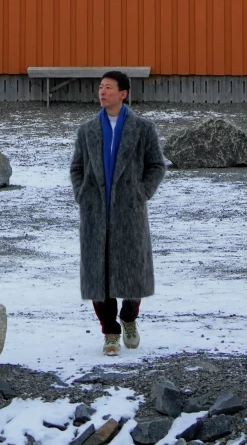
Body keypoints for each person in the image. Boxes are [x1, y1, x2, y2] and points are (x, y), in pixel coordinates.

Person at [69, 69, 167, 356]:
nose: (103, 92)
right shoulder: (87, 131)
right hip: (95, 211)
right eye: (101, 87)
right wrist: (82, 194)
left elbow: (156, 166)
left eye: (109, 87)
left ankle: (129, 317)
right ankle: (110, 332)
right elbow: (77, 167)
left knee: (132, 269)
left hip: (129, 211)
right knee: (98, 274)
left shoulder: (143, 129)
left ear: (123, 94)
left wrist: (141, 193)